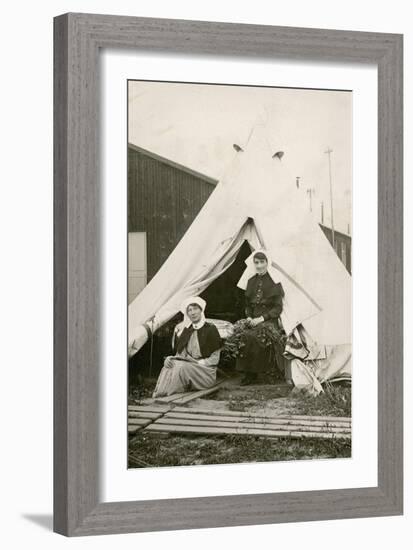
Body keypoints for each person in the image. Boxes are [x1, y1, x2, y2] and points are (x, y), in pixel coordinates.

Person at [152, 297, 222, 398]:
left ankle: (169, 394)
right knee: (169, 365)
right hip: (189, 366)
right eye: (189, 310)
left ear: (201, 310)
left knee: (181, 367)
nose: (193, 313)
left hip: (206, 372)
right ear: (187, 314)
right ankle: (160, 393)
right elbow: (180, 355)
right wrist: (170, 359)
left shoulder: (210, 329)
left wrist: (197, 362)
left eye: (195, 309)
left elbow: (215, 358)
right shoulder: (187, 331)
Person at [236, 249, 286, 385]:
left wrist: (262, 318)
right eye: (256, 262)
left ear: (267, 263)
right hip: (254, 320)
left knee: (256, 336)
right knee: (244, 335)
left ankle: (264, 373)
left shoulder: (275, 282)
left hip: (269, 320)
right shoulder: (251, 281)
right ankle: (249, 374)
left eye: (262, 262)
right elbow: (247, 305)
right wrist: (249, 317)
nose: (259, 266)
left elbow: (278, 307)